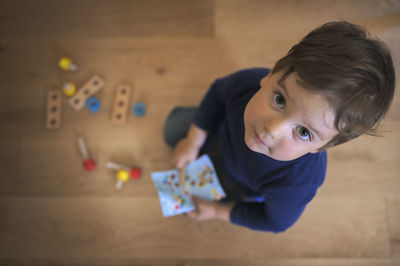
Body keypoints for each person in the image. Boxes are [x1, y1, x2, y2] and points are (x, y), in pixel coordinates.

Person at [163, 21, 395, 233]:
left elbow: (274, 222)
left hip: (240, 182)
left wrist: (217, 212)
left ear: (323, 146)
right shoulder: (249, 82)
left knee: (185, 203)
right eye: (279, 100)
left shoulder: (297, 183)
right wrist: (194, 139)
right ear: (271, 74)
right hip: (223, 133)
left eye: (304, 132)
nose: (272, 130)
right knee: (172, 128)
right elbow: (218, 93)